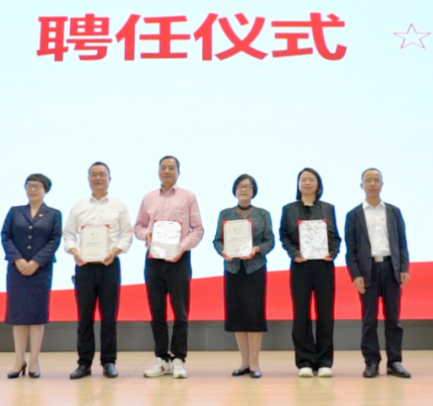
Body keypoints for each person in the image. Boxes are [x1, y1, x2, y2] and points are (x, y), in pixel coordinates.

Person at [134, 156, 204, 379]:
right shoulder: (149, 198)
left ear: (178, 172)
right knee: (157, 313)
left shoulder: (188, 197)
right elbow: (138, 226)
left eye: (171, 168)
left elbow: (198, 229)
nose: (166, 171)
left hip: (179, 260)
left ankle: (178, 359)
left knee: (180, 313)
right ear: (158, 171)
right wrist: (146, 234)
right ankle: (161, 359)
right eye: (163, 167)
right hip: (154, 260)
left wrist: (182, 247)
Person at [62, 162, 134, 380]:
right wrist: (75, 251)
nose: (98, 178)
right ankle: (84, 363)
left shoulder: (119, 206)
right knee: (84, 316)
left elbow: (127, 235)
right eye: (93, 174)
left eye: (102, 174)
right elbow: (68, 234)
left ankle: (109, 361)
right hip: (84, 266)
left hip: (109, 265)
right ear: (88, 179)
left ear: (109, 179)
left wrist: (115, 251)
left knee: (109, 316)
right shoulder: (79, 206)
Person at [345, 168, 412, 379]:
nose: (372, 184)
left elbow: (402, 243)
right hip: (368, 271)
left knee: (393, 318)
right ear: (361, 185)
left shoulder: (393, 212)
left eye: (376, 180)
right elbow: (351, 249)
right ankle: (371, 361)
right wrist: (355, 274)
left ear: (382, 184)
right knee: (369, 320)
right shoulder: (353, 215)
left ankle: (395, 361)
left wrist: (404, 268)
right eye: (368, 180)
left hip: (391, 268)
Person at [278, 168, 341, 377]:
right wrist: (294, 253)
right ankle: (304, 361)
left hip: (324, 266)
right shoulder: (289, 209)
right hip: (300, 266)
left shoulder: (328, 208)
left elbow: (335, 237)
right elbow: (284, 236)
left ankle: (324, 361)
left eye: (311, 179)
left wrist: (332, 252)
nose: (306, 183)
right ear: (298, 184)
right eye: (303, 179)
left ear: (318, 183)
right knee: (301, 314)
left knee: (325, 314)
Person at [212, 174, 274, 379]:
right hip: (233, 269)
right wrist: (224, 252)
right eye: (240, 186)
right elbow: (217, 241)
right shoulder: (225, 214)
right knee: (238, 315)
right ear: (234, 190)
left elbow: (270, 241)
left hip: (254, 268)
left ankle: (255, 363)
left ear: (254, 190)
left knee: (254, 315)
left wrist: (256, 249)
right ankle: (244, 362)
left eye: (248, 186)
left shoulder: (263, 214)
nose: (244, 189)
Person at [0, 174, 62, 379]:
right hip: (17, 270)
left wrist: (36, 261)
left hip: (40, 271)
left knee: (36, 317)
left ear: (45, 190)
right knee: (18, 317)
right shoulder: (15, 212)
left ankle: (34, 361)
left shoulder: (54, 214)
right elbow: (6, 236)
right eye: (29, 186)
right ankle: (19, 360)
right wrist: (18, 259)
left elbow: (54, 240)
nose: (32, 190)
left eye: (37, 186)